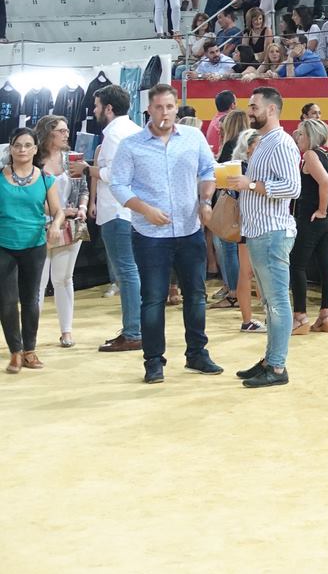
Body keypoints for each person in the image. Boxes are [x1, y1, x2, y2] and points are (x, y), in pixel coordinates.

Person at [108, 83, 221, 384]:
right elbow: (118, 184)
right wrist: (144, 209)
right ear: (149, 109)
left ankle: (197, 353)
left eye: (170, 106)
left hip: (189, 230)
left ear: (176, 107)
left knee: (196, 295)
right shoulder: (132, 145)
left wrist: (206, 201)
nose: (165, 112)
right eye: (159, 107)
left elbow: (208, 171)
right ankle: (153, 361)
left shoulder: (194, 137)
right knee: (153, 298)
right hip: (149, 234)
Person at [224, 87, 304, 387]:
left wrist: (251, 185)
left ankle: (278, 367)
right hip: (261, 231)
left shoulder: (281, 143)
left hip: (272, 231)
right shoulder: (267, 142)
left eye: (254, 106)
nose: (250, 110)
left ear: (272, 110)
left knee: (277, 303)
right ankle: (271, 359)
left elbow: (292, 188)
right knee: (271, 303)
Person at [86, 86, 143, 352]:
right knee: (130, 272)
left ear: (109, 108)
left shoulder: (115, 135)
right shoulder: (133, 129)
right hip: (127, 210)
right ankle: (134, 328)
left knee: (127, 273)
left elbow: (117, 175)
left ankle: (133, 331)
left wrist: (89, 169)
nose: (95, 110)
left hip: (118, 210)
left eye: (97, 106)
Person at [0, 127, 59, 374]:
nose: (22, 150)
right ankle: (15, 351)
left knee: (31, 299)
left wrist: (55, 225)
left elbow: (58, 211)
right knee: (6, 300)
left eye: (27, 145)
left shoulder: (46, 178)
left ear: (35, 149)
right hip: (4, 244)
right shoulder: (0, 176)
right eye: (17, 145)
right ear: (10, 148)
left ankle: (30, 350)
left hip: (34, 245)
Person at [33, 115, 88, 349]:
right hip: (39, 226)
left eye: (66, 130)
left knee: (64, 279)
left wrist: (83, 207)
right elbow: (29, 194)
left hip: (70, 225)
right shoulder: (34, 160)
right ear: (48, 133)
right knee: (37, 281)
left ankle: (66, 331)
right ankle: (31, 334)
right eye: (61, 131)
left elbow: (83, 187)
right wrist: (58, 211)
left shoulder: (71, 158)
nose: (66, 134)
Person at [288, 118, 328, 336]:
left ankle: (300, 317)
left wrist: (322, 209)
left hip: (313, 216)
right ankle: (325, 316)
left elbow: (325, 182)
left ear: (309, 136)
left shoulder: (310, 155)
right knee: (327, 264)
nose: (297, 138)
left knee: (297, 265)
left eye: (300, 134)